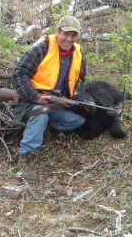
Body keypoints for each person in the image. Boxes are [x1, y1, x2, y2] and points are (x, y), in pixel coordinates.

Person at [11, 16, 87, 182]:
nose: (69, 39)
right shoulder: (41, 49)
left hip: (58, 103)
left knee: (78, 121)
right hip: (31, 101)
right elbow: (18, 74)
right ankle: (26, 158)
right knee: (41, 114)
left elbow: (81, 79)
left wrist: (75, 94)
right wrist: (36, 96)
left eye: (73, 35)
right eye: (66, 34)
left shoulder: (78, 54)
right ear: (57, 31)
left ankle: (43, 128)